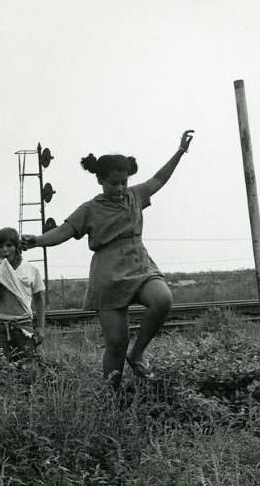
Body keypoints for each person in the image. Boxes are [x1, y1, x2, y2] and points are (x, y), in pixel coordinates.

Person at [22, 129, 194, 387]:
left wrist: (180, 151)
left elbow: (160, 178)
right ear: (101, 180)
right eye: (114, 183)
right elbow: (63, 232)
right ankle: (112, 397)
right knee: (116, 342)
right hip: (108, 272)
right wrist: (36, 240)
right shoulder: (90, 209)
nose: (120, 187)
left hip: (139, 263)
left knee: (163, 299)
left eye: (124, 181)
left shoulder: (135, 195)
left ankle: (137, 354)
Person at [0, 227, 46, 370]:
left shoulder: (31, 269)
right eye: (0, 246)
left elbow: (39, 299)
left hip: (23, 327)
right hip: (0, 328)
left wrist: (40, 328)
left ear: (17, 247)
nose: (4, 250)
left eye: (9, 245)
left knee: (29, 371)